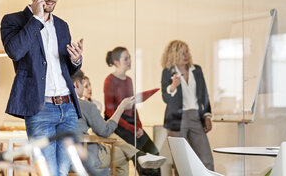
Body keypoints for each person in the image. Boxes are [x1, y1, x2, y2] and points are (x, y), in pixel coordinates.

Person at [0, 0, 83, 176]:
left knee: (63, 171)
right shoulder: (13, 21)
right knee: (47, 172)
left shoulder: (62, 25)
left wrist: (76, 60)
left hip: (68, 108)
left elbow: (66, 68)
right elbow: (15, 51)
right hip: (40, 109)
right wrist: (36, 19)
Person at [72, 70, 166, 175]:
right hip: (86, 157)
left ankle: (139, 154)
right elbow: (105, 131)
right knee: (123, 155)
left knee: (118, 147)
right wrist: (121, 107)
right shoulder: (85, 106)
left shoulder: (55, 106)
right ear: (77, 84)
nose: (89, 88)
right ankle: (139, 154)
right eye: (84, 85)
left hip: (63, 159)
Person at [104, 47, 161, 176]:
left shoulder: (129, 80)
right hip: (119, 124)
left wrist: (139, 127)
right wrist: (132, 128)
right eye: (126, 58)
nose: (130, 60)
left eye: (130, 57)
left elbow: (133, 107)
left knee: (154, 152)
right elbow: (109, 112)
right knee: (140, 155)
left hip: (132, 125)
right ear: (117, 62)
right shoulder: (109, 80)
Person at [161, 40, 214, 172]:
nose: (186, 55)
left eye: (187, 52)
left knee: (206, 159)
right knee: (181, 161)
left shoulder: (197, 70)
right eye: (182, 53)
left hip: (196, 117)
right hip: (177, 119)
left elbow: (204, 95)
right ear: (174, 55)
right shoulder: (168, 72)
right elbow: (165, 98)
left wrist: (207, 116)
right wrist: (173, 86)